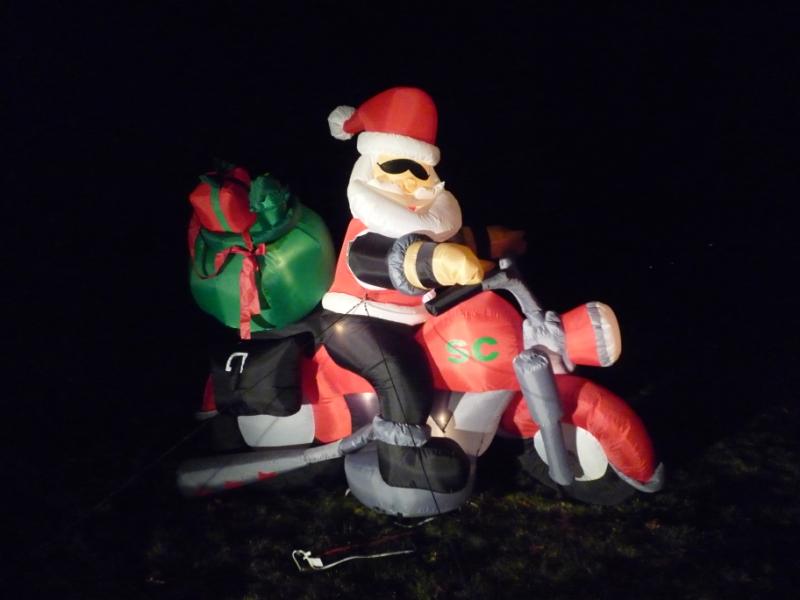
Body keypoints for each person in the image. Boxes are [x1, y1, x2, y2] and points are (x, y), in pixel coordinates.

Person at [320, 87, 499, 493]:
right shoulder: (365, 230)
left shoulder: (430, 226)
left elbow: (436, 256)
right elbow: (386, 261)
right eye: (397, 165)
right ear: (369, 168)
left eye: (420, 172)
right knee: (399, 369)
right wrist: (438, 262)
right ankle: (401, 461)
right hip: (355, 321)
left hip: (410, 319)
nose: (410, 181)